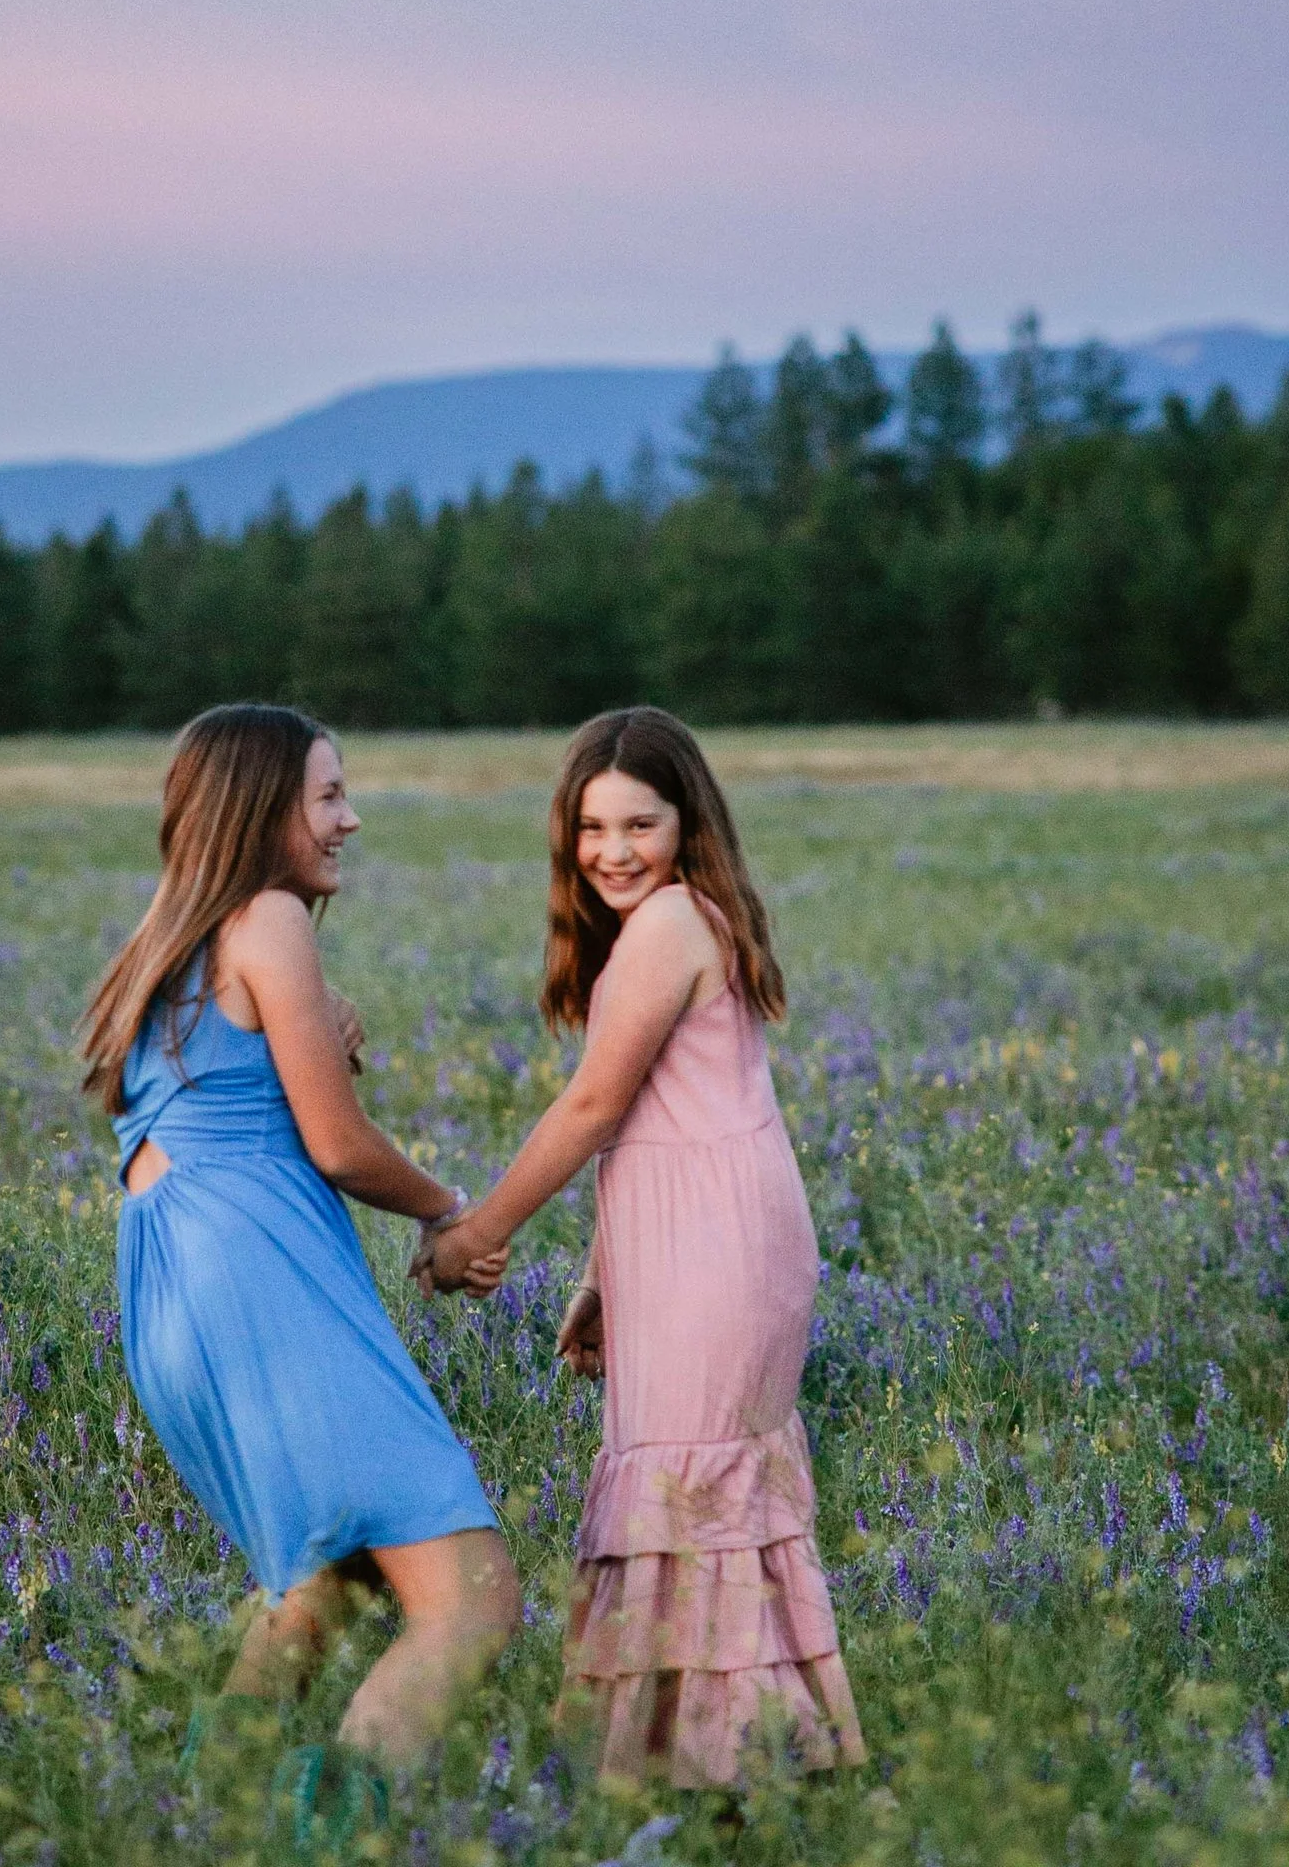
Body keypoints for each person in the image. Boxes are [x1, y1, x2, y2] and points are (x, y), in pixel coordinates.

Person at [79, 703, 518, 1814]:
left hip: (179, 1301)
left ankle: (210, 1814)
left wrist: (323, 1031)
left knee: (314, 1584)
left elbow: (233, 1117)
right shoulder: (269, 916)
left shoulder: (164, 944)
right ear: (260, 811)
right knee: (469, 1597)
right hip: (266, 1292)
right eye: (327, 795)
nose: (349, 818)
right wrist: (447, 1211)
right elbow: (333, 1145)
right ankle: (335, 1834)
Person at [422, 706, 865, 1790]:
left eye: (639, 822)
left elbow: (590, 1108)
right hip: (705, 1238)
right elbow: (648, 1125)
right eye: (590, 825)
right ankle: (739, 1765)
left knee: (689, 1496)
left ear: (687, 821)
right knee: (702, 1500)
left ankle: (722, 1775)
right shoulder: (679, 918)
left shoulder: (668, 922)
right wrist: (601, 1276)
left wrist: (476, 1233)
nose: (613, 850)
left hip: (714, 1247)